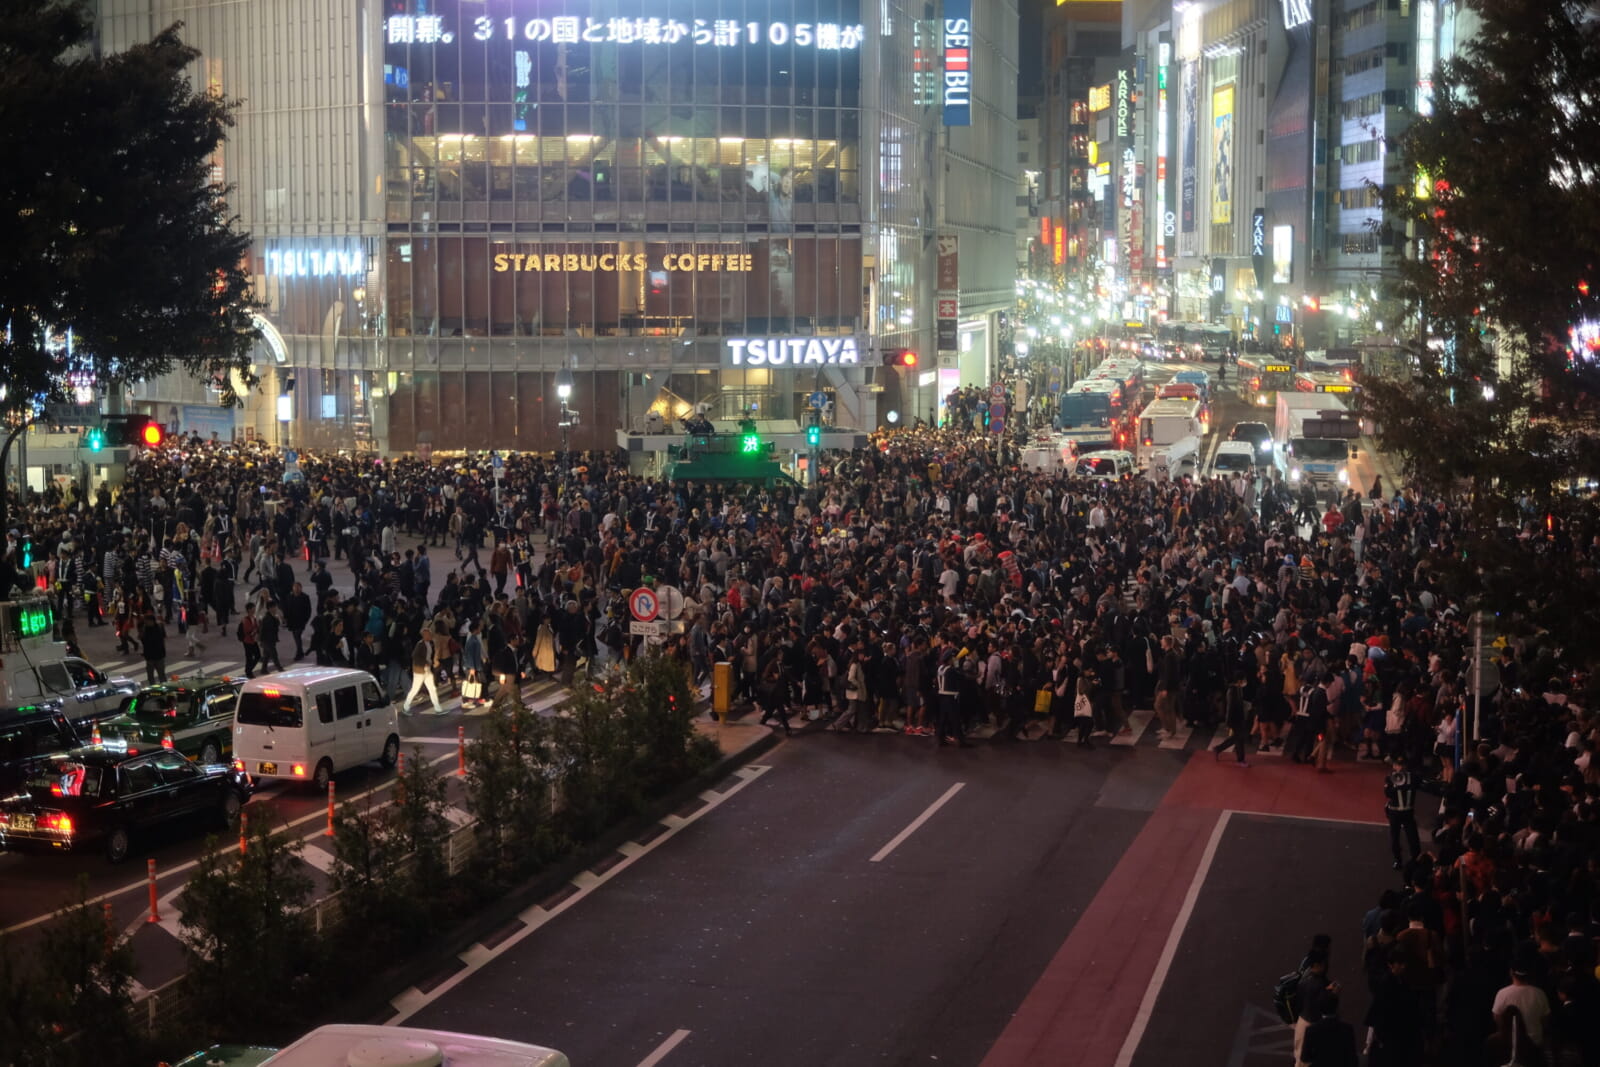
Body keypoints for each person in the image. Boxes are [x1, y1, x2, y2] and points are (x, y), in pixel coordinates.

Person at [1383, 756, 1422, 871]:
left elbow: (1421, 785)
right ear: (1394, 766)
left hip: (1408, 812)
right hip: (1394, 812)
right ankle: (1398, 860)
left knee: (1413, 838)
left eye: (1402, 765)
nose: (1400, 768)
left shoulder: (1412, 777)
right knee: (1395, 838)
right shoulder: (1390, 778)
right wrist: (1396, 787)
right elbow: (1387, 793)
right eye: (1398, 765)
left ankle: (1416, 859)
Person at [403, 631, 445, 715]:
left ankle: (438, 708)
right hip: (420, 670)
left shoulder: (429, 643)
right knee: (415, 689)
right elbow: (414, 656)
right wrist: (425, 662)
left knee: (432, 688)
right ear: (424, 635)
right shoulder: (420, 644)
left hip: (427, 669)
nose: (430, 635)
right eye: (428, 634)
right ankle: (405, 707)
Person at [1213, 672, 1250, 765]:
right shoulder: (1232, 691)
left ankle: (1219, 749)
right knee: (1239, 738)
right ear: (1239, 681)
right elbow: (1230, 707)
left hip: (1238, 718)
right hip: (1234, 719)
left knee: (1237, 738)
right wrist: (1228, 721)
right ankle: (1240, 759)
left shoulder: (1238, 689)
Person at [139, 611, 167, 686]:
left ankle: (164, 688)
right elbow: (143, 641)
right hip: (149, 656)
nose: (146, 623)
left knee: (162, 675)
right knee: (150, 676)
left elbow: (163, 639)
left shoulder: (159, 627)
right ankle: (153, 689)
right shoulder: (144, 628)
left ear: (152, 621)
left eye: (147, 621)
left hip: (159, 655)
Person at [238, 603, 261, 679]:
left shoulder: (253, 618)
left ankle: (248, 670)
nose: (254, 610)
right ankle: (248, 671)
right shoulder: (246, 619)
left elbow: (255, 628)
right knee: (249, 657)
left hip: (253, 640)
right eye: (253, 608)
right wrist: (255, 630)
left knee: (257, 655)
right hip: (247, 641)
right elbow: (248, 630)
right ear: (249, 610)